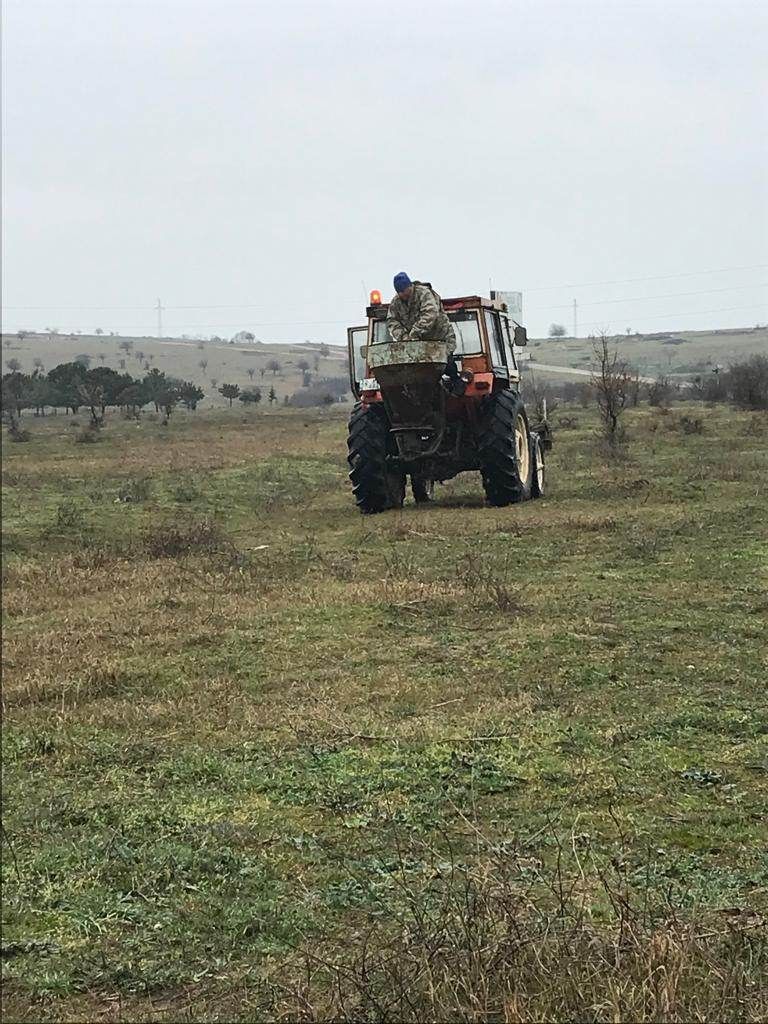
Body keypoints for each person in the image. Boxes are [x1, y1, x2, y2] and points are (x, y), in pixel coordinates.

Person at [386, 272, 458, 379]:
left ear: (410, 286)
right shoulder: (396, 303)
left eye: (405, 290)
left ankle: (455, 380)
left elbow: (430, 313)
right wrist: (404, 337)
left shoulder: (424, 294)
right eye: (400, 292)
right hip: (417, 346)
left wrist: (415, 332)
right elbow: (392, 321)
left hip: (440, 338)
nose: (403, 294)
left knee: (446, 364)